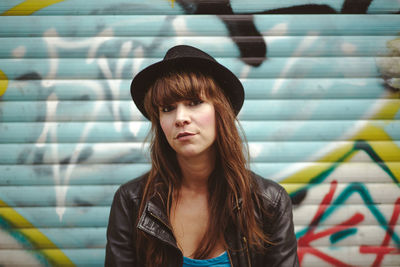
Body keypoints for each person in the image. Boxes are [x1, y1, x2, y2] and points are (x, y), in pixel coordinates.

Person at [105, 45, 299, 267]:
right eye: (167, 108)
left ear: (220, 112)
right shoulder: (132, 202)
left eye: (194, 102)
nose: (180, 118)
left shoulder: (269, 203)